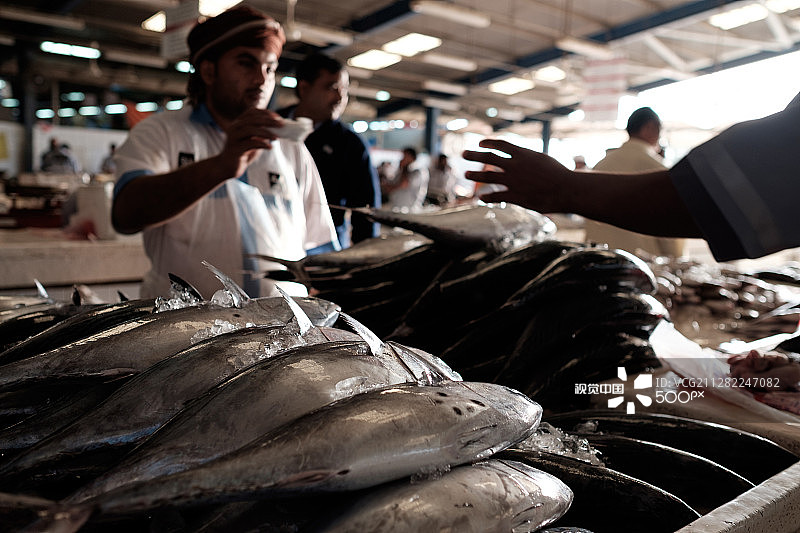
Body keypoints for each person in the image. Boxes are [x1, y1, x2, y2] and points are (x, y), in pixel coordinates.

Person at [111, 6, 339, 299]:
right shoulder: (161, 133)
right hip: (187, 337)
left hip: (282, 335)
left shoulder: (290, 147)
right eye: (246, 64)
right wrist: (221, 167)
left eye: (269, 68)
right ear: (208, 70)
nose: (261, 80)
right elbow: (126, 214)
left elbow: (319, 248)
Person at [461, 90, 800, 264]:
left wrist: (564, 187)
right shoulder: (651, 163)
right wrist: (561, 187)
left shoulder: (605, 161)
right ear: (651, 129)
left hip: (595, 256)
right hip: (641, 266)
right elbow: (709, 200)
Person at [278, 53, 381, 248]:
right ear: (304, 88)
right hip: (273, 239)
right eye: (332, 88)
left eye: (345, 89)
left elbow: (365, 212)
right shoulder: (271, 128)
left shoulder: (351, 145)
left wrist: (366, 257)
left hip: (324, 248)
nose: (340, 97)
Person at [584, 107, 685, 257]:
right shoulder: (658, 169)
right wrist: (675, 258)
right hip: (642, 263)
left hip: (599, 258)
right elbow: (671, 225)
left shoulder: (600, 166)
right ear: (649, 127)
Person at [383, 147, 429, 212]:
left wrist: (404, 168)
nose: (402, 159)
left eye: (404, 156)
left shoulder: (419, 170)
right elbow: (393, 183)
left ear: (410, 156)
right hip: (397, 207)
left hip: (410, 209)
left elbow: (404, 184)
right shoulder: (402, 171)